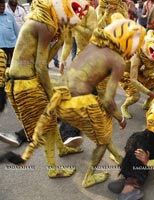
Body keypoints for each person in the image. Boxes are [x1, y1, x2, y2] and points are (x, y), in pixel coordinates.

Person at [7, 13, 146, 188]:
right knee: (103, 134)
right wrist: (121, 118)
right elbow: (108, 100)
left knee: (101, 126)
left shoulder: (93, 45)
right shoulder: (117, 60)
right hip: (78, 104)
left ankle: (118, 158)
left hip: (59, 96)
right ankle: (88, 177)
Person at [2, 0, 90, 178]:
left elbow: (41, 61)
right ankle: (53, 170)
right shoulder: (45, 26)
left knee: (52, 119)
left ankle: (63, 149)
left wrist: (58, 43)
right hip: (25, 83)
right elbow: (41, 67)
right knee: (49, 126)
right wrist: (50, 93)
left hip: (21, 80)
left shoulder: (42, 22)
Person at [119, 30, 154, 119]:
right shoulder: (135, 58)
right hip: (127, 74)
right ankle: (124, 106)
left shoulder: (150, 56)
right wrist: (151, 94)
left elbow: (146, 72)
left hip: (140, 72)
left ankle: (147, 104)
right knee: (135, 96)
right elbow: (133, 80)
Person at [0, 0, 19, 68]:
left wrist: (18, 43)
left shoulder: (10, 15)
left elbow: (16, 30)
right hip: (1, 47)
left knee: (13, 65)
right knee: (2, 66)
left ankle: (12, 78)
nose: (2, 7)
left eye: (3, 6)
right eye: (0, 6)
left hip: (12, 45)